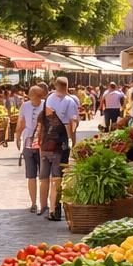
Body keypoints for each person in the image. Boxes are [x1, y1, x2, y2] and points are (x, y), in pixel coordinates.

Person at [35, 90, 73, 220]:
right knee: (56, 180)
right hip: (58, 150)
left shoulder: (42, 114)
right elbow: (70, 131)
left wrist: (39, 145)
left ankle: (44, 207)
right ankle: (53, 210)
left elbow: (39, 132)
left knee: (44, 179)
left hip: (45, 150)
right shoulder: (63, 116)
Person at [14, 83, 47, 212]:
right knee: (31, 175)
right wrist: (17, 137)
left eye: (32, 95)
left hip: (42, 143)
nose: (31, 98)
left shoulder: (45, 105)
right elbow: (21, 122)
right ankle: (34, 203)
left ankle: (43, 203)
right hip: (28, 141)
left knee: (43, 175)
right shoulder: (25, 106)